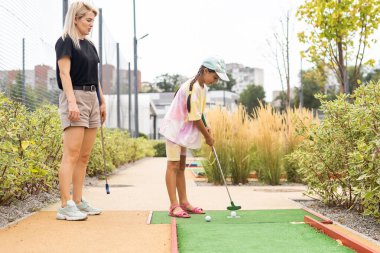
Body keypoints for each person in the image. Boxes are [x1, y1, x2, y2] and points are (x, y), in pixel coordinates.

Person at [159, 56, 230, 218]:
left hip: (182, 131)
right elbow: (194, 117)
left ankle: (184, 202)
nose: (216, 80)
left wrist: (207, 126)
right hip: (174, 130)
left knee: (181, 167)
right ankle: (173, 205)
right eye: (215, 76)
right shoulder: (192, 88)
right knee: (173, 165)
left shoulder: (202, 87)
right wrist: (207, 137)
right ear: (205, 71)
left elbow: (199, 112)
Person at [55, 1, 106, 221]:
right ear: (75, 19)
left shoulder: (91, 45)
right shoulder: (65, 41)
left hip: (92, 99)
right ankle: (65, 205)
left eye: (93, 20)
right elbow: (64, 74)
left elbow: (95, 77)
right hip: (74, 97)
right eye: (88, 20)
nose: (91, 24)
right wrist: (72, 102)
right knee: (72, 154)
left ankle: (78, 200)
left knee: (84, 156)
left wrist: (102, 101)